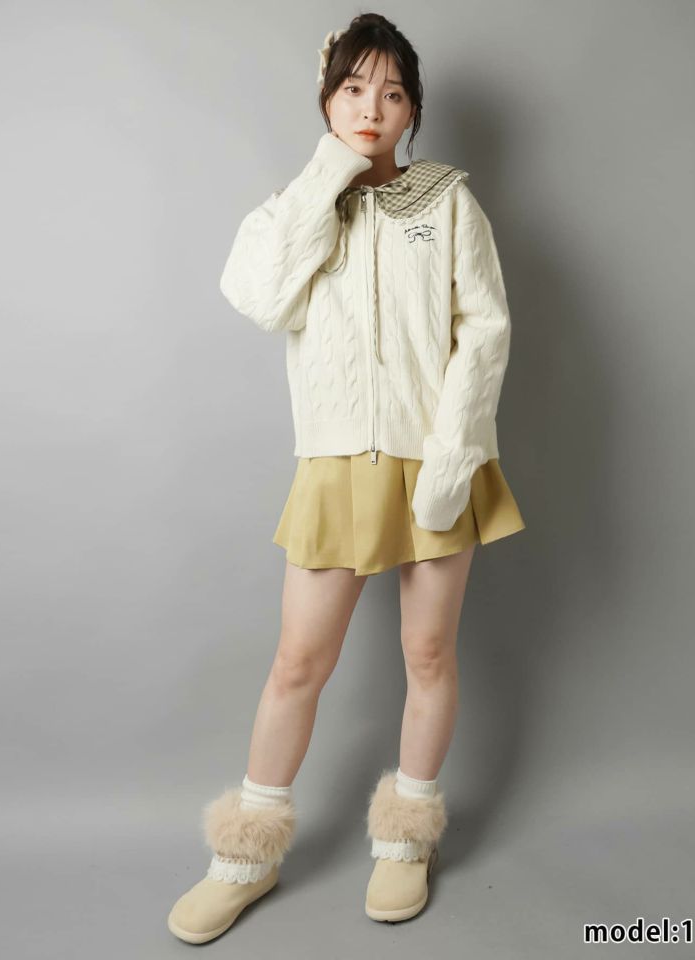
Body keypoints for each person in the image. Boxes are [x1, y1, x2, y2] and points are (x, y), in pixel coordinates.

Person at [167, 12, 526, 943]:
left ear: (413, 109)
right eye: (355, 88)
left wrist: (452, 459)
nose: (373, 108)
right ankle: (245, 858)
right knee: (298, 664)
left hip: (437, 457)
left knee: (428, 656)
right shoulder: (292, 210)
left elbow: (485, 332)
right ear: (327, 100)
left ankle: (406, 840)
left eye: (393, 92)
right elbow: (258, 297)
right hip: (334, 462)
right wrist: (328, 173)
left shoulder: (450, 203)